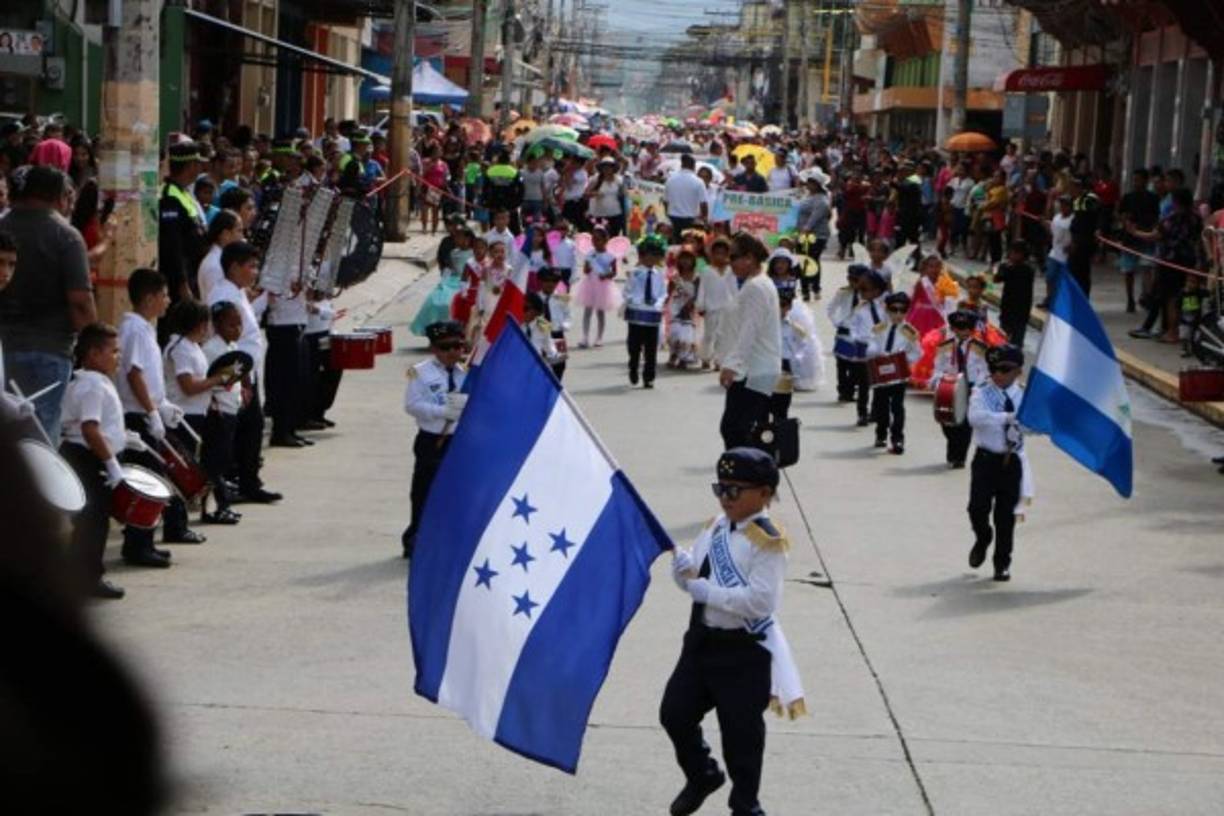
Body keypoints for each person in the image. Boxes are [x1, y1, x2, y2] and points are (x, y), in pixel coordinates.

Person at [661, 447, 802, 816]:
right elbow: (696, 582)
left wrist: (709, 591)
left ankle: (745, 806)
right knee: (674, 713)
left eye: (735, 491)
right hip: (702, 641)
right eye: (720, 489)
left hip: (743, 651)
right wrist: (683, 571)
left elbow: (760, 602)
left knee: (741, 738)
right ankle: (702, 773)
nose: (726, 498)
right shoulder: (715, 526)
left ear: (765, 494)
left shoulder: (767, 541)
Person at [0, 165, 96, 444]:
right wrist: (91, 348)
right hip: (50, 352)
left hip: (5, 349)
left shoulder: (3, 226)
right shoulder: (65, 235)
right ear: (59, 195)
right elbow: (80, 303)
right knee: (39, 440)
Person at [116, 269, 201, 562]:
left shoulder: (143, 328)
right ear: (150, 297)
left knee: (154, 476)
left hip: (146, 409)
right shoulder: (135, 329)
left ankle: (142, 540)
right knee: (150, 479)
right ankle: (137, 545)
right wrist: (151, 411)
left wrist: (161, 403)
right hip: (137, 414)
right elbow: (134, 373)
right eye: (164, 295)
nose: (167, 301)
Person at [58, 322, 130, 598]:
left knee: (91, 519)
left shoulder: (91, 380)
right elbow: (90, 429)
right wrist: (111, 464)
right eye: (113, 351)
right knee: (94, 521)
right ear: (93, 353)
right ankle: (88, 579)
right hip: (89, 458)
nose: (117, 357)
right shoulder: (92, 385)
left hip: (85, 453)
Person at [206, 241, 280, 504]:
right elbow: (230, 341)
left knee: (251, 427)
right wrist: (243, 380)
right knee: (242, 428)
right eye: (251, 266)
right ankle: (238, 482)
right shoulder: (223, 295)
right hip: (237, 369)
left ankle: (249, 481)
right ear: (234, 267)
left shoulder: (237, 292)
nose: (255, 271)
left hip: (248, 367)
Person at [401, 320, 468, 559]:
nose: (452, 352)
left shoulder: (468, 373)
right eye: (445, 347)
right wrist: (442, 412)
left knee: (458, 492)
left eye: (457, 346)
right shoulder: (420, 372)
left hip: (459, 442)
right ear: (434, 349)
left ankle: (449, 539)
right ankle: (416, 537)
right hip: (432, 440)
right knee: (424, 491)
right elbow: (412, 405)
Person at [967, 344, 1030, 582]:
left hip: (1010, 461)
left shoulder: (1024, 396)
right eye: (993, 368)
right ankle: (983, 537)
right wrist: (1008, 418)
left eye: (1004, 369)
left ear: (1017, 372)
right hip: (985, 459)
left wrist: (1021, 423)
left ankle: (1002, 563)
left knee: (1005, 517)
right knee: (977, 508)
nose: (998, 374)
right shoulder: (982, 391)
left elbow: (1033, 427)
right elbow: (975, 418)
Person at [719, 233, 780, 450]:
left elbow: (749, 331)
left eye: (734, 256)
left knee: (736, 429)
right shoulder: (754, 283)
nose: (729, 261)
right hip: (753, 368)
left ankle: (747, 479)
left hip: (753, 369)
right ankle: (750, 478)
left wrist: (731, 365)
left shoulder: (756, 287)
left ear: (750, 258)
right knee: (744, 429)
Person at [200, 301, 244, 524]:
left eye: (239, 324)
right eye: (231, 325)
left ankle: (217, 506)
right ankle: (217, 507)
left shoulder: (231, 347)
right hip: (218, 412)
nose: (237, 329)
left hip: (231, 410)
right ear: (217, 325)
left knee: (224, 460)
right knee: (214, 463)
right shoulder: (211, 349)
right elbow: (209, 379)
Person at [929, 309, 990, 469]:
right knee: (947, 422)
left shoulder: (980, 348)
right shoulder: (945, 347)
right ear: (953, 328)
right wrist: (937, 381)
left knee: (964, 425)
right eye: (959, 327)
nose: (964, 331)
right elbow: (938, 367)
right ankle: (953, 447)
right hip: (949, 386)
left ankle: (959, 457)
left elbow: (985, 370)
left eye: (967, 327)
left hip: (971, 387)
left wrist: (979, 386)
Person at [866, 291, 922, 454]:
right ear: (887, 309)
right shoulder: (879, 328)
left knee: (897, 407)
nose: (898, 314)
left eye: (902, 310)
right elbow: (870, 346)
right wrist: (876, 352)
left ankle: (897, 438)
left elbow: (917, 352)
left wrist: (903, 359)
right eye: (894, 309)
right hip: (881, 373)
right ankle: (881, 434)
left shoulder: (909, 332)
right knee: (881, 406)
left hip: (899, 375)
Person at [159, 142, 208, 307]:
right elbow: (172, 246)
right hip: (180, 283)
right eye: (198, 164)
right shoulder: (170, 198)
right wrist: (182, 285)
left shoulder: (184, 193)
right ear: (191, 166)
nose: (201, 168)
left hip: (194, 274)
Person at [623, 235, 668, 388]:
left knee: (651, 348)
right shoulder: (635, 273)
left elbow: (663, 292)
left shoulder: (660, 275)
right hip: (637, 312)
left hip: (652, 314)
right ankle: (633, 367)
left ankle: (649, 376)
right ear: (641, 255)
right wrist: (633, 299)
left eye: (655, 255)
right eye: (648, 254)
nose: (651, 258)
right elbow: (627, 291)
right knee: (634, 345)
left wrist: (659, 302)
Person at [847, 269, 888, 426]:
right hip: (862, 351)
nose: (862, 293)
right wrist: (856, 338)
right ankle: (861, 412)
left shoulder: (885, 308)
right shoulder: (860, 309)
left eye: (866, 290)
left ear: (877, 290)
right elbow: (853, 327)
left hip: (879, 350)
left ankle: (875, 411)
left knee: (879, 384)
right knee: (863, 384)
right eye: (860, 290)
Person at [1116, 168, 1160, 313]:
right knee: (1128, 270)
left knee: (1147, 269)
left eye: (1139, 179)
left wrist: (1151, 231)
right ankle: (1130, 299)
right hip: (1129, 238)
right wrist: (1125, 222)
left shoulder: (1153, 198)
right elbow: (1120, 214)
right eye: (1134, 179)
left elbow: (1156, 217)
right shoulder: (1128, 197)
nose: (1136, 183)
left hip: (1146, 237)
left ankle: (1146, 296)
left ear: (1146, 181)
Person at [574, 226, 620, 348]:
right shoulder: (590, 253)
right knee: (587, 312)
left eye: (598, 239)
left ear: (605, 240)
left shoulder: (610, 255)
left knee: (600, 313)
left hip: (603, 286)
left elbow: (614, 272)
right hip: (589, 284)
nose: (595, 242)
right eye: (593, 239)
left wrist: (606, 275)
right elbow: (585, 270)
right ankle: (585, 337)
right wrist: (588, 267)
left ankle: (599, 338)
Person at [696, 236, 736, 370]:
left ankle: (719, 360)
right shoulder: (706, 270)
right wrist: (700, 305)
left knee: (722, 335)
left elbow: (734, 288)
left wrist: (737, 303)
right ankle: (705, 358)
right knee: (709, 335)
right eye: (717, 253)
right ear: (711, 254)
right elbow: (702, 288)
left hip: (726, 307)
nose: (720, 256)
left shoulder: (731, 271)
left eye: (723, 253)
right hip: (710, 307)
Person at [827, 264, 866, 403]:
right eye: (850, 279)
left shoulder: (868, 295)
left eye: (856, 279)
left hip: (860, 335)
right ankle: (842, 390)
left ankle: (850, 389)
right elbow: (830, 308)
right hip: (844, 332)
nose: (853, 282)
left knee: (856, 366)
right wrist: (838, 322)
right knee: (842, 364)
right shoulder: (843, 292)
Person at [993, 240, 1035, 347]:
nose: (1010, 255)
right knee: (1005, 337)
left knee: (1014, 339)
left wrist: (1001, 268)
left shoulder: (1025, 269)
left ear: (1021, 254)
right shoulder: (1014, 267)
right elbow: (996, 279)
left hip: (1019, 310)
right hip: (1009, 308)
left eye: (1013, 253)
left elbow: (997, 278)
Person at [794, 176, 830, 300]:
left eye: (811, 183)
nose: (808, 185)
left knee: (812, 261)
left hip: (816, 236)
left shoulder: (821, 200)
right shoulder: (808, 197)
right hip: (802, 234)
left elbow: (814, 219)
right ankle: (806, 289)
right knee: (803, 261)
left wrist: (806, 229)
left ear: (817, 185)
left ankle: (814, 288)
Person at [196, 209, 243, 303]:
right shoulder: (215, 265)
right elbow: (219, 306)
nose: (242, 237)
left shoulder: (221, 260)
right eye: (239, 231)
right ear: (225, 234)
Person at [667, 248, 700, 370]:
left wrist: (691, 303)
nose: (685, 262)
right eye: (683, 259)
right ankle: (673, 355)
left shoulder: (697, 278)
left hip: (690, 309)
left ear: (693, 261)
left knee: (686, 335)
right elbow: (669, 293)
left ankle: (684, 358)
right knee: (674, 332)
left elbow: (698, 294)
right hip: (676, 307)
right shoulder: (675, 277)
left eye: (688, 259)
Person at [1067, 176, 1100, 298]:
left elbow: (1086, 222)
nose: (1070, 190)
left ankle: (1082, 297)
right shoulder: (1076, 200)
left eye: (1073, 187)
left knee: (1081, 273)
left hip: (1083, 242)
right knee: (1075, 272)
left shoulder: (1089, 200)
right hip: (1078, 240)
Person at [664, 154, 710, 239]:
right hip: (690, 219)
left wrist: (667, 214)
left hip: (673, 218)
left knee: (675, 242)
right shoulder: (698, 182)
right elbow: (704, 203)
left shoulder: (670, 180)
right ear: (693, 166)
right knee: (688, 243)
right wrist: (705, 218)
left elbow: (666, 202)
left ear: (682, 165)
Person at [536, 268, 570, 380]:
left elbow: (568, 315)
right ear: (541, 281)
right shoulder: (535, 298)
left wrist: (565, 325)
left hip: (558, 334)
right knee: (542, 365)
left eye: (554, 281)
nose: (550, 284)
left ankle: (556, 388)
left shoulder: (563, 297)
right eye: (547, 281)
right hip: (541, 336)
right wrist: (544, 327)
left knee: (560, 365)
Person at [586, 158, 627, 236]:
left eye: (609, 166)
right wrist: (595, 194)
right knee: (599, 237)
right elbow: (585, 194)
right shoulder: (596, 179)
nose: (607, 169)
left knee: (613, 238)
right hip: (599, 215)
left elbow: (623, 195)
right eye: (604, 167)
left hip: (615, 214)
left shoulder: (619, 180)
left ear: (613, 168)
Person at [522, 292, 563, 370]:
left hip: (536, 368)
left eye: (526, 308)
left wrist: (557, 356)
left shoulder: (543, 324)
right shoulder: (514, 325)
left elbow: (550, 349)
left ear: (536, 311)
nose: (522, 312)